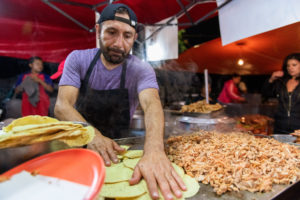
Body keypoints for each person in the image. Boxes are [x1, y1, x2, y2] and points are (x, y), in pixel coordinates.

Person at [54, 3, 186, 200]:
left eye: (127, 36)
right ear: (98, 30)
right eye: (111, 32)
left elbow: (151, 104)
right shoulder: (78, 59)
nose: (118, 44)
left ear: (134, 38)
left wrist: (154, 151)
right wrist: (93, 136)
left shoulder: (141, 69)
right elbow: (62, 106)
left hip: (120, 152)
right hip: (80, 146)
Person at [262, 53, 300, 134]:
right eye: (288, 65)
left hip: (298, 128)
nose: (290, 68)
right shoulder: (281, 81)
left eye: (294, 65)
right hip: (280, 126)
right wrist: (271, 79)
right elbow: (266, 93)